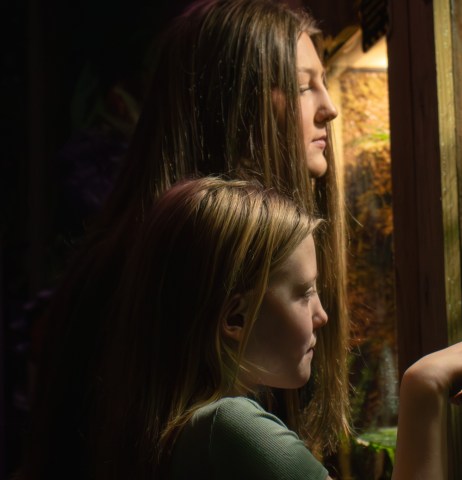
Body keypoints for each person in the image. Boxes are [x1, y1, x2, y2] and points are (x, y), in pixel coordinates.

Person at [22, 0, 347, 477]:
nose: (330, 109)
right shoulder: (135, 280)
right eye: (302, 87)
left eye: (322, 81)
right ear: (233, 100)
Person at [89, 177, 462, 479]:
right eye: (304, 292)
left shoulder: (177, 435)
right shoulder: (231, 428)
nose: (322, 315)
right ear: (235, 318)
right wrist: (422, 388)